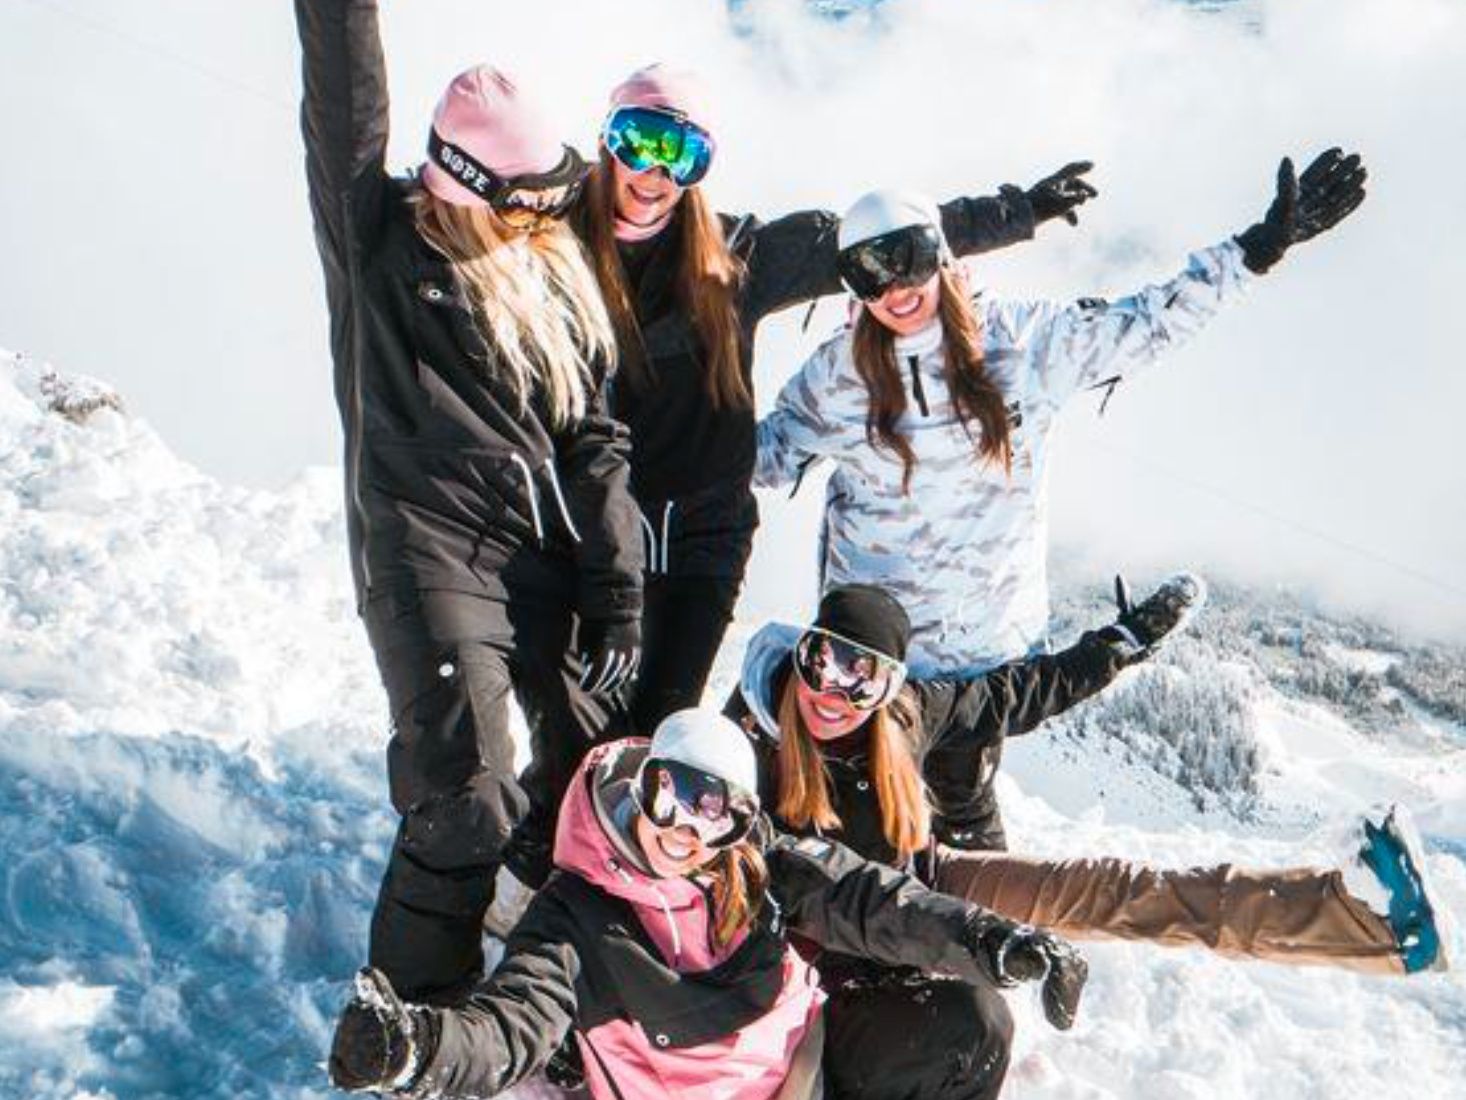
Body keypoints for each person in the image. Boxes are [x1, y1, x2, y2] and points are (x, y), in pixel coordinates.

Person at [573, 64, 1101, 733]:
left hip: (702, 540)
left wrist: (1017, 212)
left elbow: (884, 243)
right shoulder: (558, 243)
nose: (655, 171)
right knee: (572, 727)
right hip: (591, 524)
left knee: (658, 729)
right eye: (638, 139)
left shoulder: (734, 257)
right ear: (606, 138)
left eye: (683, 154)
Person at [294, 0, 644, 1003]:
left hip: (534, 552)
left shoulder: (550, 275)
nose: (544, 223)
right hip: (426, 550)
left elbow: (593, 445)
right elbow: (344, 109)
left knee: (598, 764)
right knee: (468, 790)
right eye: (529, 203)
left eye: (555, 198)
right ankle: (415, 1020)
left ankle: (539, 934)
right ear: (469, 182)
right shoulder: (379, 245)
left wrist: (615, 589)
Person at [755, 152, 1369, 679]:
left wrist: (1255, 251)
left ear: (939, 251)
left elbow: (1144, 324)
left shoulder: (1024, 343)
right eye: (868, 272)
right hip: (864, 665)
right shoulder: (836, 377)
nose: (894, 288)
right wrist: (697, 399)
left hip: (988, 663)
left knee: (958, 784)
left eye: (908, 258)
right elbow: (760, 458)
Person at [325, 710, 1089, 1100]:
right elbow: (512, 1022)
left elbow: (874, 901)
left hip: (800, 1071)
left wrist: (998, 941)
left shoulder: (755, 865)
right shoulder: (575, 916)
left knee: (973, 1023)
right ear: (644, 783)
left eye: (717, 810)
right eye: (675, 794)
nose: (688, 828)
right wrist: (419, 1048)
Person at [728, 583, 1450, 992]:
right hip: (831, 933)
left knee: (1115, 889)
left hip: (927, 884)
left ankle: (1370, 924)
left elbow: (1018, 692)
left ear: (891, 687)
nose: (833, 691)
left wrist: (1118, 646)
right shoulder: (749, 737)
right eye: (824, 660)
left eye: (863, 677)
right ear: (803, 649)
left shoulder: (906, 717)